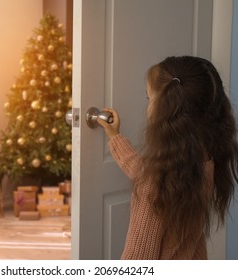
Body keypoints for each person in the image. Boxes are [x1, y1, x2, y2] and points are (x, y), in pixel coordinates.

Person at [98, 56, 238, 260]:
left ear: (166, 109)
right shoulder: (205, 163)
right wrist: (115, 138)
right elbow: (195, 244)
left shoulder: (156, 182)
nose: (148, 107)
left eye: (149, 99)